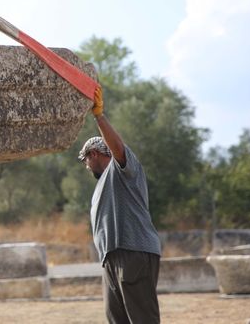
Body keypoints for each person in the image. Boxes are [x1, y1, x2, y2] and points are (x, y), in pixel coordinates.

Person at [78, 86, 161, 324]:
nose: (86, 167)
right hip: (112, 258)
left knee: (142, 319)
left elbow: (118, 148)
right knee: (116, 319)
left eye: (85, 161)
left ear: (93, 154)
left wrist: (99, 116)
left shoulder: (122, 168)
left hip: (133, 252)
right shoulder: (102, 184)